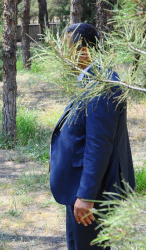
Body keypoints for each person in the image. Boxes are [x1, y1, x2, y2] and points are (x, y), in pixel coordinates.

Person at [49, 23, 135, 250]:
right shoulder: (91, 79)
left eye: (65, 48)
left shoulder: (102, 84)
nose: (61, 54)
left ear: (84, 51)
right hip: (79, 188)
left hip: (94, 193)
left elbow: (99, 145)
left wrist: (86, 196)